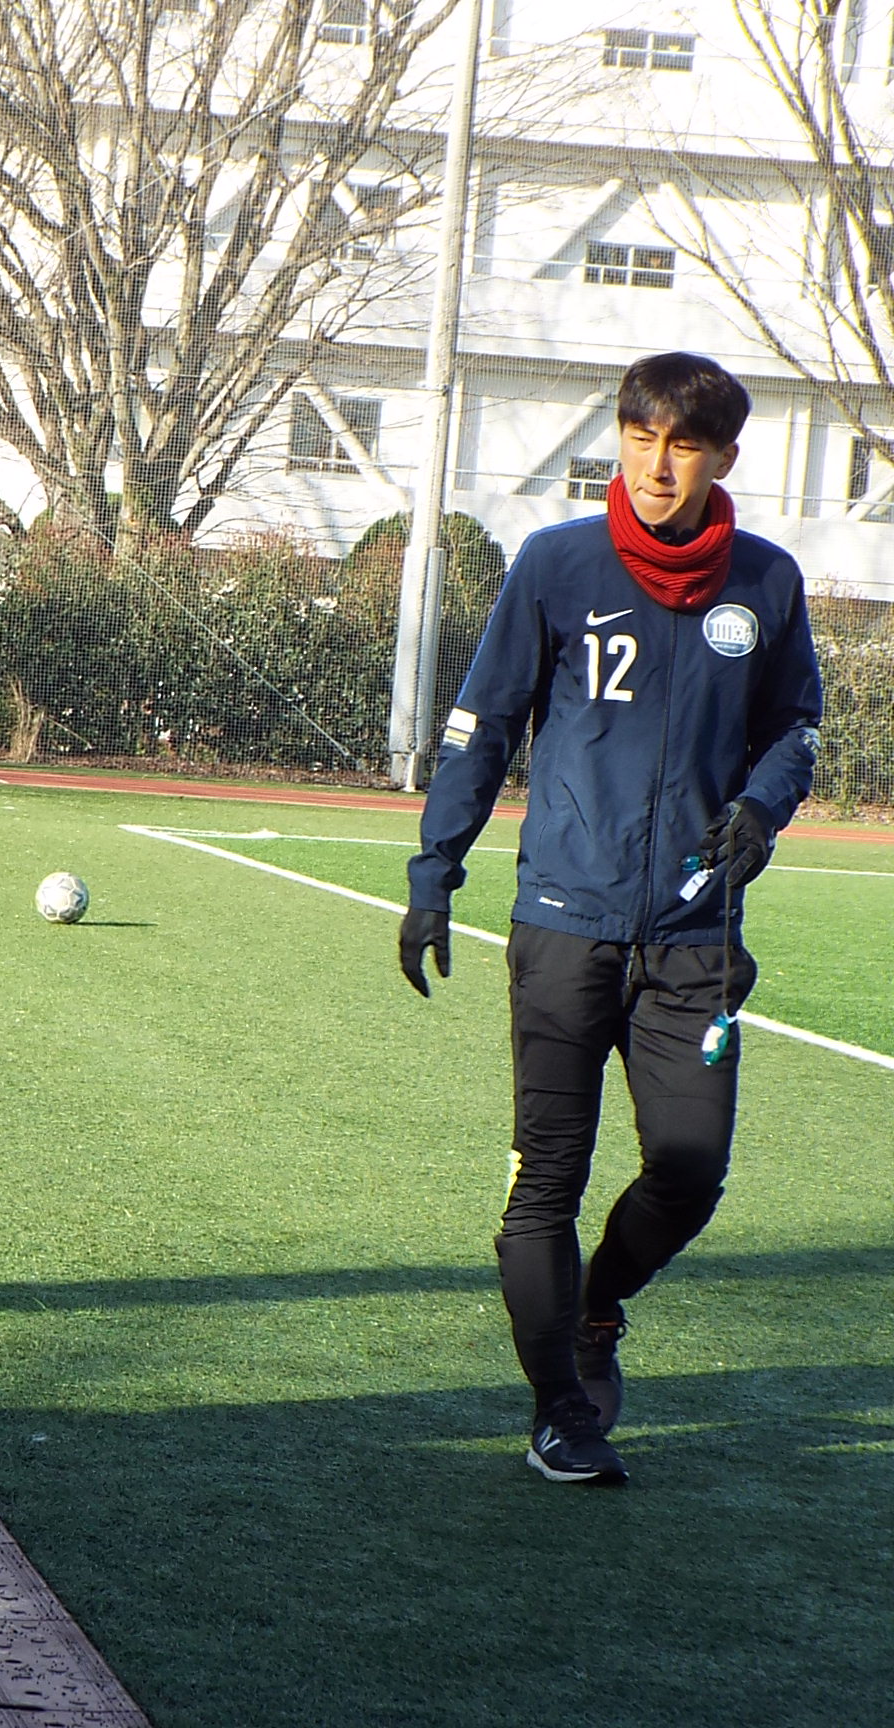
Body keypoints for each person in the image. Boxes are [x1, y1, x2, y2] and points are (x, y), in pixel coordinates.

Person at [402, 351, 822, 1487]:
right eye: (639, 438)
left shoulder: (768, 582)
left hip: (694, 938)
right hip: (563, 926)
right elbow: (483, 725)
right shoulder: (555, 563)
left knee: (689, 1169)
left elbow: (796, 728)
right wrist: (435, 870)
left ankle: (597, 1306)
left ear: (723, 457)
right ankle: (561, 1413)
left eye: (683, 445)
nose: (656, 465)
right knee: (548, 1177)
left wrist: (764, 805)